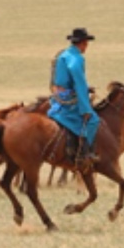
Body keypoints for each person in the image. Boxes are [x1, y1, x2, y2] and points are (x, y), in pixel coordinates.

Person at [47, 28, 100, 165]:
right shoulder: (77, 59)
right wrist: (85, 109)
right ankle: (84, 152)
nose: (86, 46)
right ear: (82, 43)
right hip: (67, 98)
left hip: (58, 94)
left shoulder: (63, 55)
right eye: (86, 43)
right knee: (93, 120)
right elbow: (79, 83)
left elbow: (65, 79)